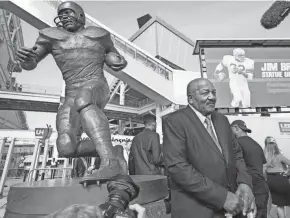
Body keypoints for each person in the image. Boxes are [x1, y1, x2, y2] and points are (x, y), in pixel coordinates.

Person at [16, 1, 128, 183]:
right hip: (71, 92)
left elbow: (112, 56)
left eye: (68, 12)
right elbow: (32, 62)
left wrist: (117, 60)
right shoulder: (50, 36)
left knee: (84, 98)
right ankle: (113, 152)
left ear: (81, 15)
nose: (64, 17)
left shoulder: (99, 35)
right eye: (61, 15)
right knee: (66, 147)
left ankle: (109, 163)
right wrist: (26, 60)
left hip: (96, 83)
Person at [163, 78, 255, 218]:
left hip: (232, 208)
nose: (212, 97)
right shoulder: (175, 121)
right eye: (205, 92)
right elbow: (177, 167)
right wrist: (222, 197)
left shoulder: (222, 120)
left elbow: (236, 154)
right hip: (197, 210)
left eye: (213, 92)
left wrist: (244, 182)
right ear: (191, 99)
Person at [231, 120, 269, 218]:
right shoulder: (257, 145)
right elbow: (264, 167)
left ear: (236, 128)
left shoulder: (236, 143)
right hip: (262, 186)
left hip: (248, 187)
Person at [264, 136, 290, 218]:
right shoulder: (279, 156)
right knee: (288, 201)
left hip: (270, 180)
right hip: (281, 179)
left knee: (279, 204)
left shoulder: (264, 157)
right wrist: (287, 171)